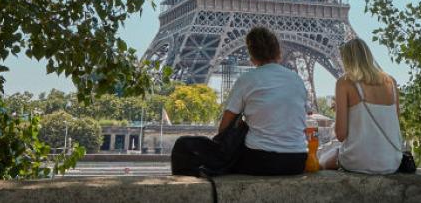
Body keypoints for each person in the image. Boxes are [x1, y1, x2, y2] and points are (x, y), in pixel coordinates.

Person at [170, 27, 308, 176]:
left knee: (182, 145)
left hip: (261, 161)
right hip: (297, 161)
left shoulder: (248, 79)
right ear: (278, 52)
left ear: (252, 55)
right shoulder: (297, 80)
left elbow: (224, 128)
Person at [319, 38, 403, 174]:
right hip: (392, 161)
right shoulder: (391, 82)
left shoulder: (345, 82)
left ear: (346, 60)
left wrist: (340, 111)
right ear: (369, 56)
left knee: (322, 159)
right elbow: (394, 123)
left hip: (358, 161)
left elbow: (340, 135)